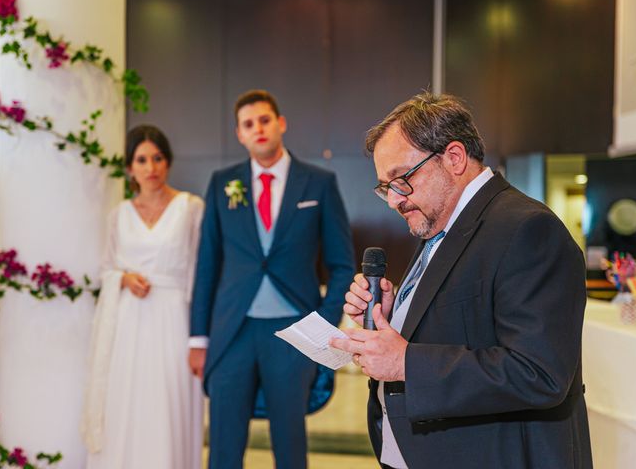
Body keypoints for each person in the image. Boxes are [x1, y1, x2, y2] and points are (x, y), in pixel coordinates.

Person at [331, 91, 593, 468]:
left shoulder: (528, 229)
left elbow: (540, 373)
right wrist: (394, 314)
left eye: (400, 180)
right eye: (385, 188)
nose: (393, 200)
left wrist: (406, 362)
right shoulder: (443, 224)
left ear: (453, 158)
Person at [189, 89, 355, 469]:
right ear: (240, 134)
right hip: (233, 332)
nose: (258, 128)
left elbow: (342, 264)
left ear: (280, 124)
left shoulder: (318, 183)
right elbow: (207, 266)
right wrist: (198, 338)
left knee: (290, 445)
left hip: (293, 332)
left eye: (264, 120)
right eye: (249, 124)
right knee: (223, 449)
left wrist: (323, 324)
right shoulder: (222, 183)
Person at [81, 125, 204, 469]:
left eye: (158, 158)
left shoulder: (190, 207)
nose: (151, 167)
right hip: (128, 326)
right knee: (125, 404)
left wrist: (200, 335)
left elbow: (202, 268)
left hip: (174, 322)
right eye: (141, 159)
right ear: (130, 167)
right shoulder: (118, 215)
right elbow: (106, 268)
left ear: (168, 162)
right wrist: (122, 278)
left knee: (168, 405)